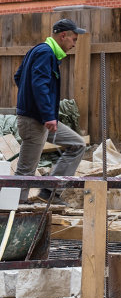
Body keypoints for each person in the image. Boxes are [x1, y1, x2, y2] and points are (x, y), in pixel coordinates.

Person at [14, 18, 87, 201]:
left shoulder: (41, 52)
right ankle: (13, 212)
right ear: (63, 36)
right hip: (35, 122)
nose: (74, 44)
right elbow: (40, 85)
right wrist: (46, 114)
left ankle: (49, 191)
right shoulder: (45, 53)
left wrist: (32, 103)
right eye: (74, 40)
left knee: (77, 144)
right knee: (26, 171)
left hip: (42, 119)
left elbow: (19, 77)